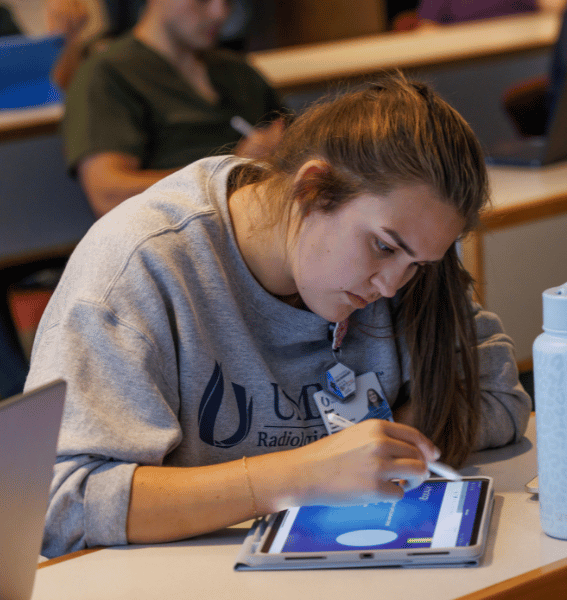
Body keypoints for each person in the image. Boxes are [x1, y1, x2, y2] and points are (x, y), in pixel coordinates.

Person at [26, 75, 532, 558]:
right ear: (311, 189)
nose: (391, 286)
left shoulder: (406, 251)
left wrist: (380, 451)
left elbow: (496, 398)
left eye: (418, 265)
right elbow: (60, 502)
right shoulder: (142, 264)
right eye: (381, 247)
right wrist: (299, 476)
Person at [62, 0, 286, 218]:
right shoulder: (108, 74)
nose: (220, 13)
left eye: (229, 1)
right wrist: (231, 171)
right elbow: (108, 195)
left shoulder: (238, 71)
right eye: (202, 1)